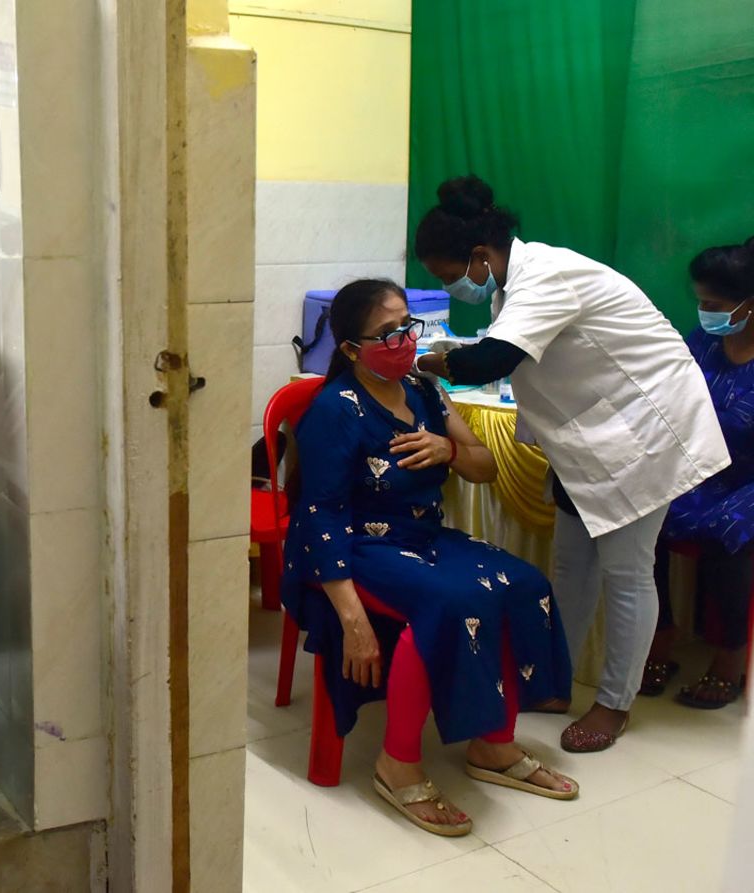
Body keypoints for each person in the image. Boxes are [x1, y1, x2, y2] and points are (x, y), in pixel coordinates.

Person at [413, 175, 730, 752]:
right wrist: (443, 354)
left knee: (628, 574)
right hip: (589, 440)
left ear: (480, 256)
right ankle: (553, 681)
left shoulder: (548, 277)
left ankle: (614, 705)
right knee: (571, 565)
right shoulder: (515, 284)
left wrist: (425, 362)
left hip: (642, 430)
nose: (449, 287)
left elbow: (496, 357)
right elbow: (503, 345)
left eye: (447, 275)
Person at [281, 279, 576, 838]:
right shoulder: (335, 410)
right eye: (387, 333)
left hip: (422, 537)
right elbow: (318, 516)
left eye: (407, 327)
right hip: (355, 545)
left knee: (524, 581)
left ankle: (493, 745)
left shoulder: (425, 391)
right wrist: (352, 619)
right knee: (446, 602)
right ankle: (397, 763)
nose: (404, 341)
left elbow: (484, 466)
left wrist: (449, 448)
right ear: (350, 350)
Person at [644, 237, 754, 708]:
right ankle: (659, 639)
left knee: (730, 528)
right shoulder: (705, 340)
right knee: (646, 513)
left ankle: (730, 657)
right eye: (702, 302)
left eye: (716, 304)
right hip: (704, 466)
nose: (705, 312)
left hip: (747, 476)